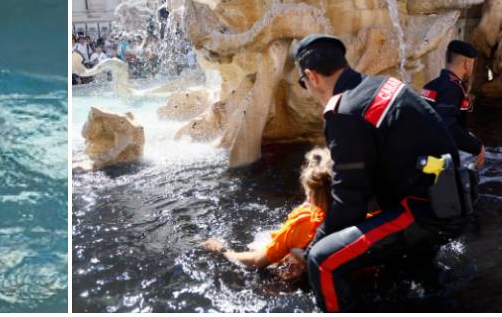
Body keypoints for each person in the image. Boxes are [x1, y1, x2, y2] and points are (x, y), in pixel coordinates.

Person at [295, 35, 471, 312]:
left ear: (311, 76)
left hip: (423, 212)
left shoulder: (344, 111)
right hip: (451, 200)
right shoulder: (383, 84)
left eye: (303, 83)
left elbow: (350, 201)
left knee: (323, 261)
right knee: (402, 282)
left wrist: (309, 249)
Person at [200, 146, 332, 281]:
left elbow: (254, 261)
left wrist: (222, 251)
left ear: (309, 188)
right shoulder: (349, 210)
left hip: (301, 277)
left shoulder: (304, 222)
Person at [421, 41, 485, 168]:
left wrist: (466, 135)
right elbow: (446, 126)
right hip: (437, 164)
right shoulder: (453, 89)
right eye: (472, 63)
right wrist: (477, 147)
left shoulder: (431, 85)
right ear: (467, 63)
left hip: (422, 157)